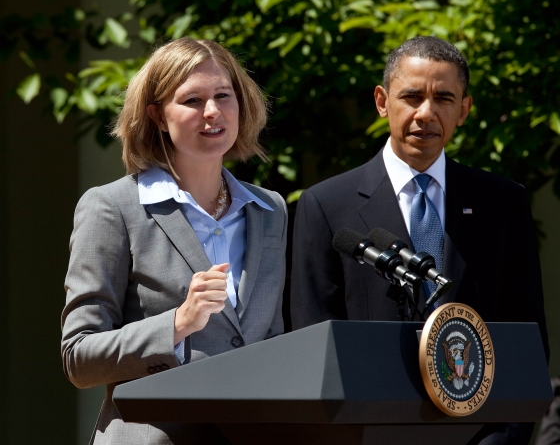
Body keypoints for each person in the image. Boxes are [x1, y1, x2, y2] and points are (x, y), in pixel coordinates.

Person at [290, 36, 548, 443]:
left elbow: (526, 340)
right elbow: (311, 345)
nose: (425, 113)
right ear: (381, 101)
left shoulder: (503, 203)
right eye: (411, 96)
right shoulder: (325, 205)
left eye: (444, 98)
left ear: (464, 109)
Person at [61, 37, 287, 444]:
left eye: (223, 95)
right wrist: (178, 324)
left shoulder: (270, 210)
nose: (213, 112)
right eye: (192, 100)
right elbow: (79, 358)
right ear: (158, 116)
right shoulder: (111, 207)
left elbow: (273, 343)